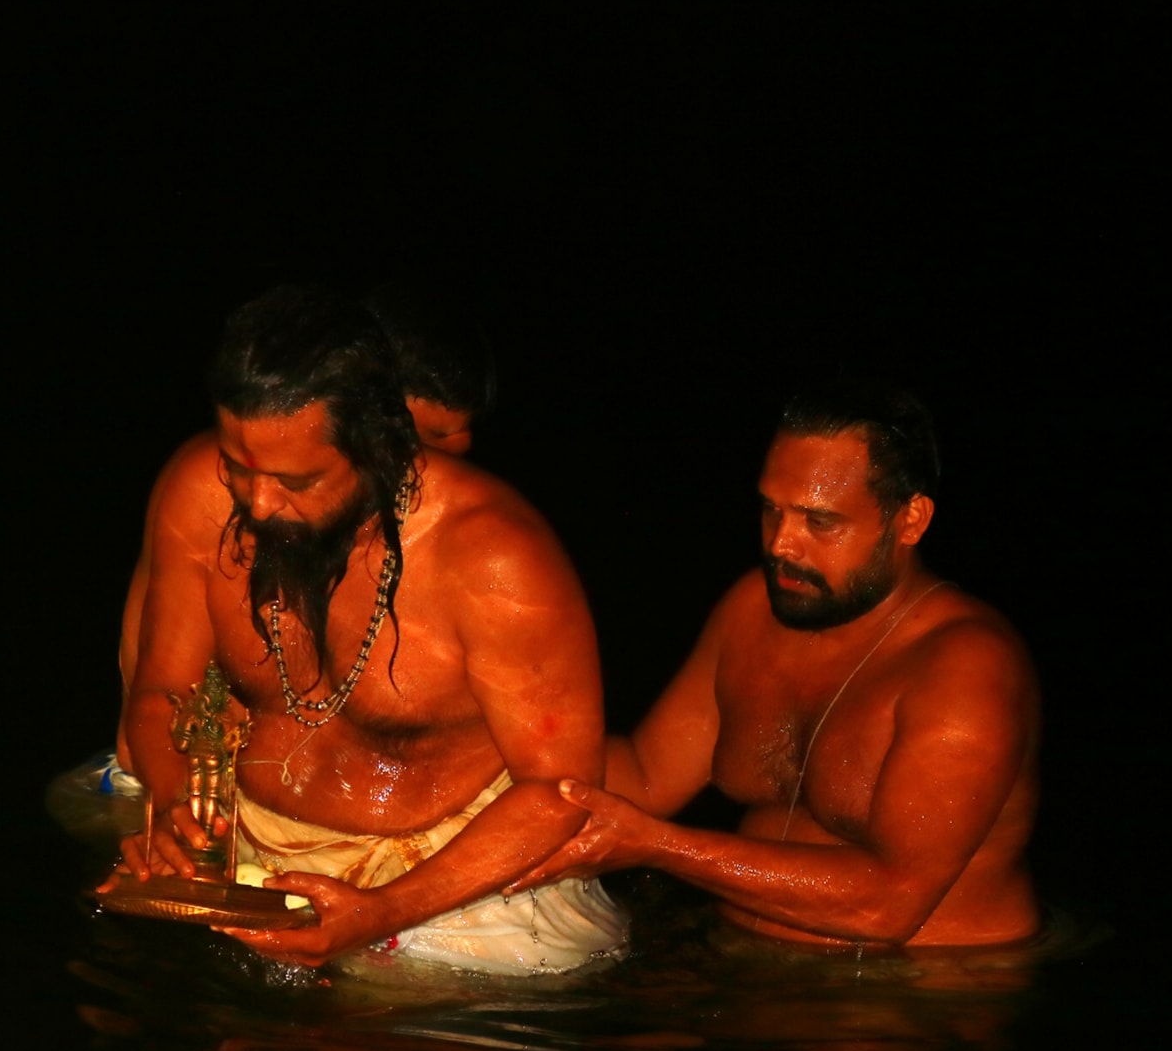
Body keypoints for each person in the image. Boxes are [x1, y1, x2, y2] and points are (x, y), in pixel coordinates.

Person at [101, 284, 625, 973]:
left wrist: (382, 912)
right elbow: (162, 686)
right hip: (250, 839)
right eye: (239, 467)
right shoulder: (199, 490)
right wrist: (176, 814)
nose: (258, 503)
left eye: (298, 480)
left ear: (379, 447)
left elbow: (560, 790)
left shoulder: (495, 556)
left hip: (447, 877)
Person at [509, 383, 1040, 947]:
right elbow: (644, 775)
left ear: (909, 521)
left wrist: (657, 846)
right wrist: (490, 735)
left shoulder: (968, 668)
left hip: (919, 997)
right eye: (771, 510)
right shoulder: (752, 610)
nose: (782, 544)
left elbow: (889, 905)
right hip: (745, 959)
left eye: (820, 521)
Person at [108, 282, 496, 778]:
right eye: (429, 441)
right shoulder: (214, 489)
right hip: (172, 772)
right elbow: (157, 690)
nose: (442, 469)